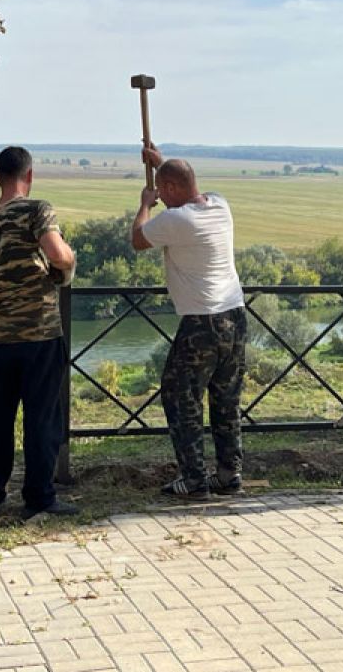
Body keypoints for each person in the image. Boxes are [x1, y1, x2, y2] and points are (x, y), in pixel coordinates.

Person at [131, 144, 247, 499]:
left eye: (164, 192)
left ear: (170, 190)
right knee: (226, 400)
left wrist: (145, 204)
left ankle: (194, 478)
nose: (162, 199)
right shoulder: (220, 206)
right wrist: (161, 164)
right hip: (235, 316)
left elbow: (137, 239)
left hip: (202, 323)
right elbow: (184, 184)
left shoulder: (175, 219)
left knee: (181, 397)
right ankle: (229, 474)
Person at [0, 146, 78, 518]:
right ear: (29, 176)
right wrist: (69, 261)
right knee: (41, 418)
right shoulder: (37, 209)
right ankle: (39, 498)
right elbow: (57, 254)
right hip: (39, 332)